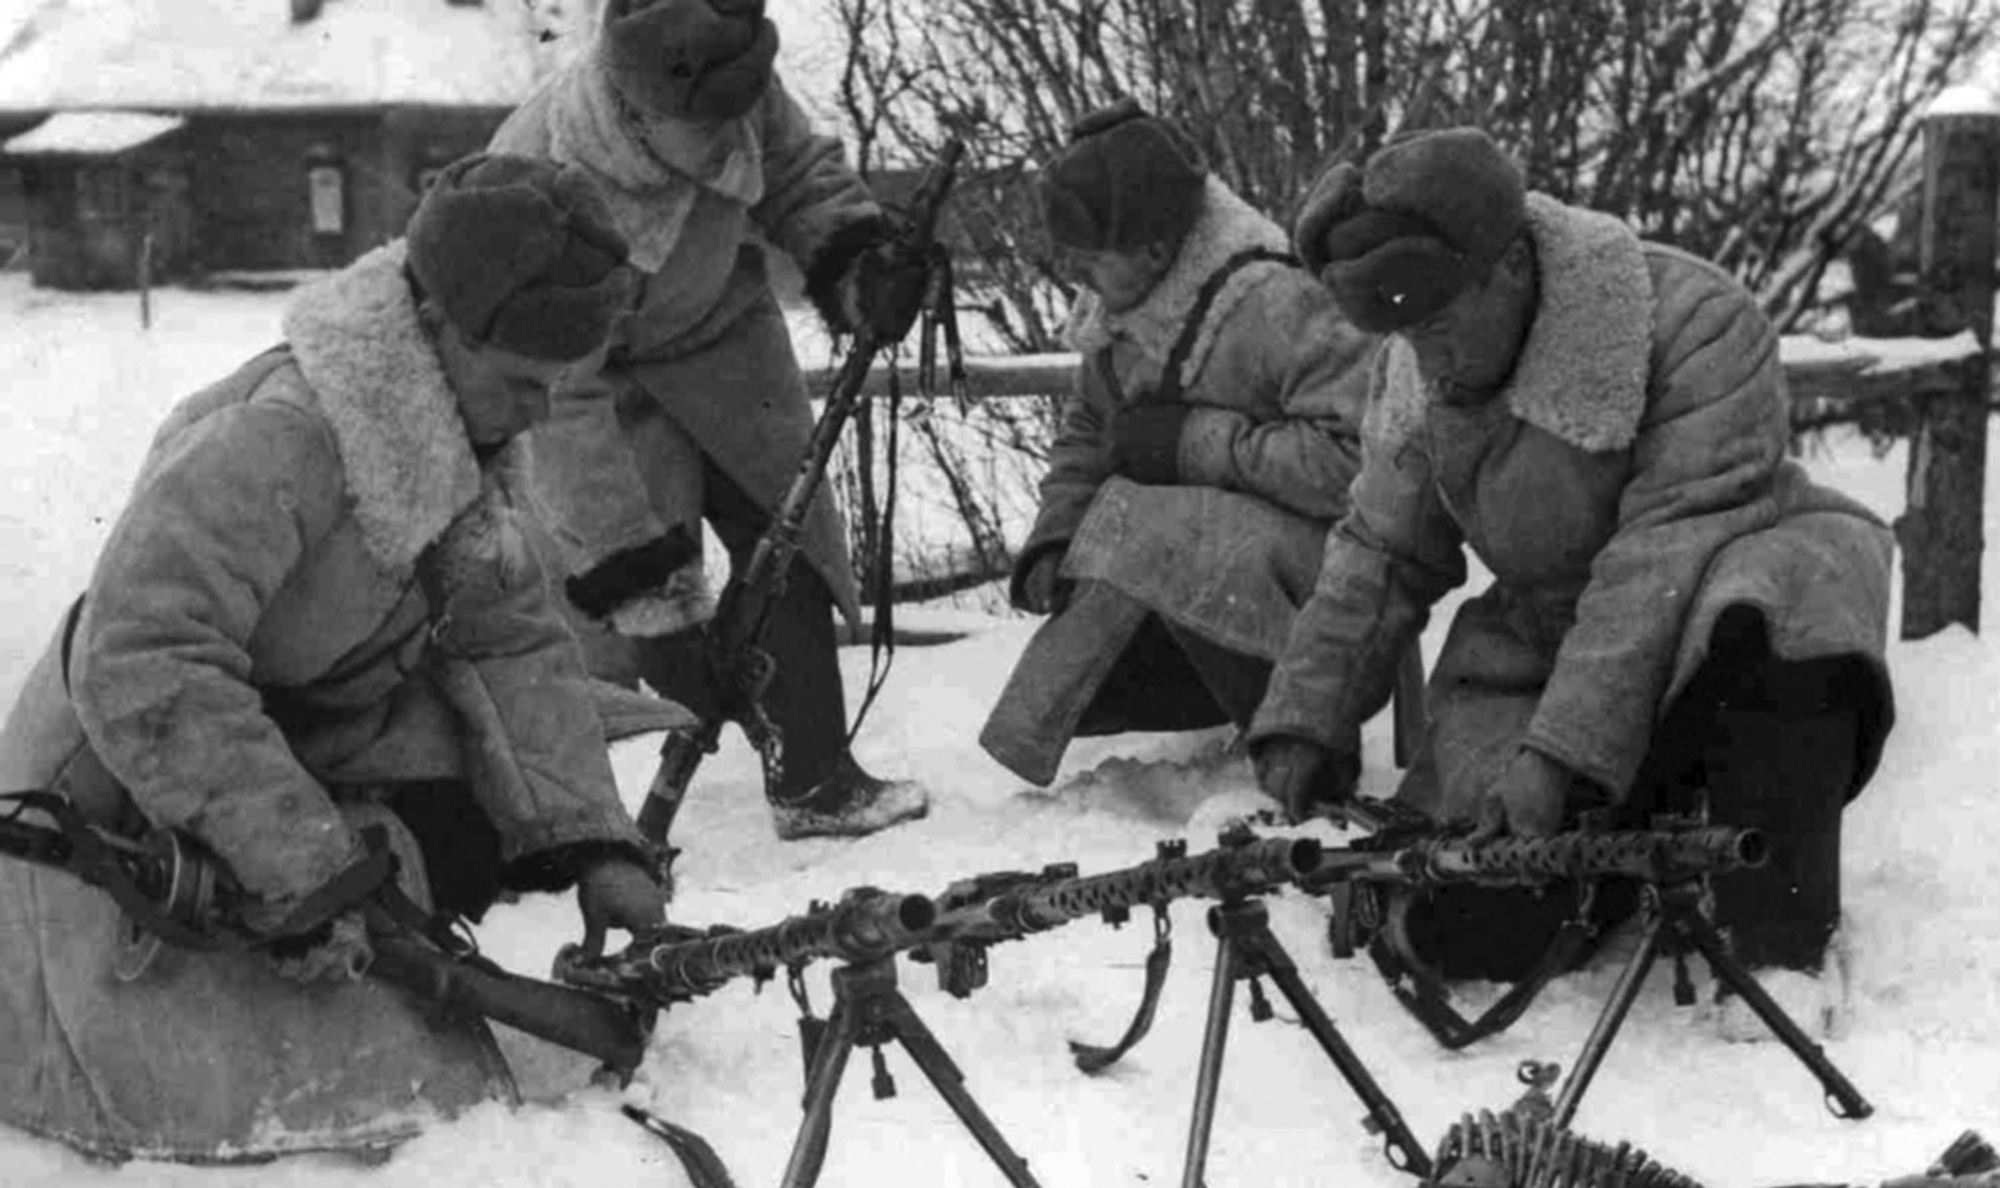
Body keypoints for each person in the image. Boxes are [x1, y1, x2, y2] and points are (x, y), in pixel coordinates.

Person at [0, 154, 689, 1163]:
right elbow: (145, 661)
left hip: (273, 747)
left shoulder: (447, 425)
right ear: (444, 332)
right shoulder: (278, 439)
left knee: (436, 860)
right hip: (118, 799)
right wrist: (306, 872)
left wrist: (598, 845)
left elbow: (510, 638)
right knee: (341, 1079)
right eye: (524, 383)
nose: (544, 414)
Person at [1248, 127, 1895, 1032]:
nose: (1422, 357)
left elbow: (1662, 559)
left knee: (1779, 613)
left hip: (1725, 613)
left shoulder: (1694, 319)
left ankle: (1779, 941)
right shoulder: (1417, 357)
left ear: (1508, 264)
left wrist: (1558, 759)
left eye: (1436, 324)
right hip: (1555, 651)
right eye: (1403, 332)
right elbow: (1382, 548)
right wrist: (1306, 714)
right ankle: (1635, 856)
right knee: (1464, 927)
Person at [486, 0, 932, 841]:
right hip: (593, 385)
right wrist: (627, 563)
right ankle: (686, 750)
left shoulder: (736, 80)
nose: (734, 141)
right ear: (644, 107)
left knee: (786, 534)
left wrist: (858, 265)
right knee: (652, 598)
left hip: (725, 336)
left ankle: (815, 776)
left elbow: (799, 176)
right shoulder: (542, 166)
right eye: (708, 128)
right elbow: (554, 393)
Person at [978, 100, 1379, 786]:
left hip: (1338, 600)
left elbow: (1361, 469)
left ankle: (1303, 749)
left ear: (1155, 250)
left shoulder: (1277, 303)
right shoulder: (1122, 307)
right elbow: (1087, 429)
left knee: (1151, 522)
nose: (1076, 276)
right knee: (1097, 675)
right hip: (1219, 578)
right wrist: (1057, 533)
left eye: (1089, 258)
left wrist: (1198, 444)